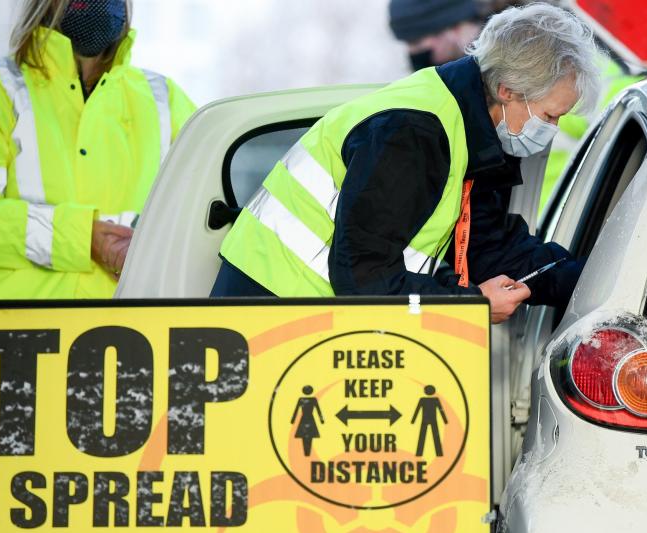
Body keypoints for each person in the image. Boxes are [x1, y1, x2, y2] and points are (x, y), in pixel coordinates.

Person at [213, 3, 598, 324]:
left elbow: (491, 249)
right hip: (272, 315)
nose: (551, 128)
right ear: (508, 90)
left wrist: (596, 280)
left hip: (309, 318)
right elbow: (364, 280)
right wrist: (471, 306)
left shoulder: (465, 127)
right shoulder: (413, 134)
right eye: (549, 116)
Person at [0, 0, 195, 299]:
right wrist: (83, 239)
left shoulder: (164, 102)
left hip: (125, 336)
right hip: (9, 335)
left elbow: (199, 226)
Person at [389, 0, 642, 214]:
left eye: (418, 41)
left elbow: (637, 117)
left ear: (454, 27)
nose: (415, 53)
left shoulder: (565, 71)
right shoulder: (463, 90)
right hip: (521, 238)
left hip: (565, 229)